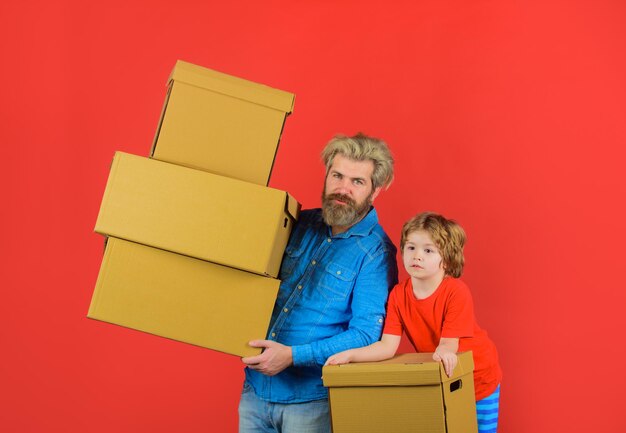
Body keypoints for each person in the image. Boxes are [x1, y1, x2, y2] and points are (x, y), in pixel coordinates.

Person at [239, 133, 398, 433]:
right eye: (337, 175)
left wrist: (293, 356)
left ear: (374, 191)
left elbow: (366, 334)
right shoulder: (298, 222)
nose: (343, 188)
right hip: (255, 390)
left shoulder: (376, 252)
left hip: (312, 402)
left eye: (357, 182)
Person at [326, 212, 502, 433]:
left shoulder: (456, 292)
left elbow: (449, 345)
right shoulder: (399, 295)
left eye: (428, 250)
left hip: (479, 376)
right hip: (442, 375)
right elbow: (387, 346)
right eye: (411, 248)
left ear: (446, 260)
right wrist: (351, 355)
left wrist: (444, 352)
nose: (417, 256)